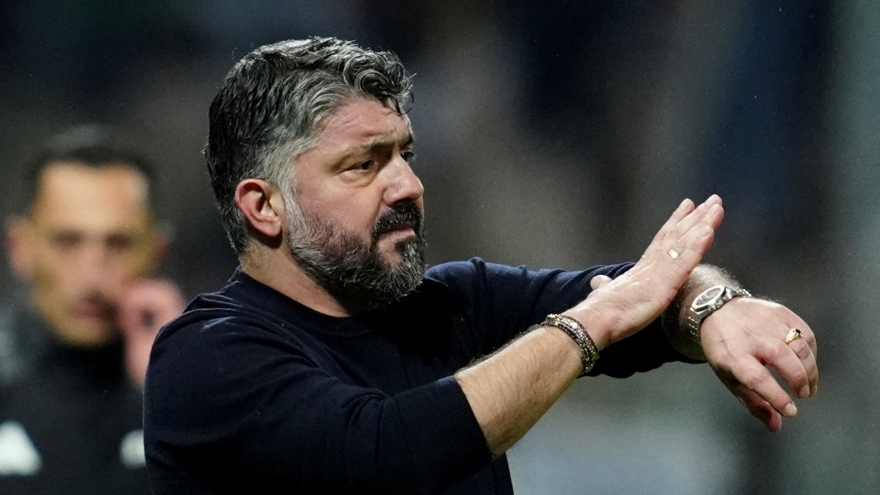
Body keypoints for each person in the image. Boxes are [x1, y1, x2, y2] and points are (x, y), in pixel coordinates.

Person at [143, 37, 818, 494]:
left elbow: (645, 295)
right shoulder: (206, 358)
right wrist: (590, 324)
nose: (408, 185)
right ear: (264, 207)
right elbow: (385, 456)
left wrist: (715, 308)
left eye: (405, 154)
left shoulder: (453, 304)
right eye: (363, 164)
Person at [0, 125, 185, 495]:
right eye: (67, 241)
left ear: (156, 252)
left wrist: (180, 394)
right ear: (20, 248)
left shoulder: (202, 402)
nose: (91, 277)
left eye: (118, 243)